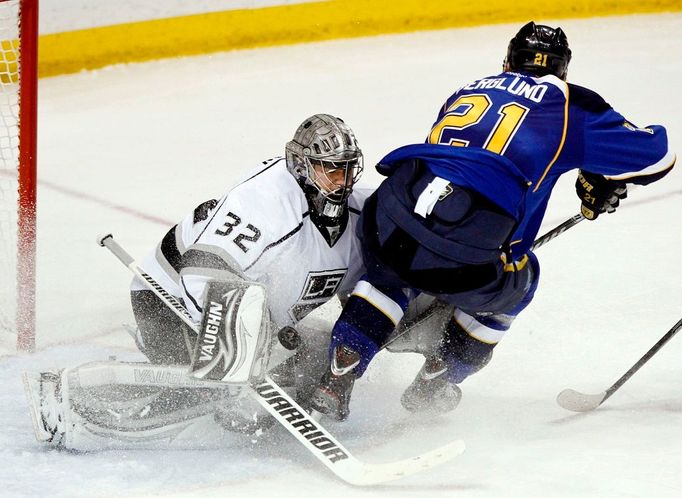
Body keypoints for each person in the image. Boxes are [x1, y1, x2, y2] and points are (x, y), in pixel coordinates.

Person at [310, 21, 676, 421]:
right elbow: (657, 156)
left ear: (506, 62)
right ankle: (436, 381)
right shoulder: (570, 105)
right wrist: (600, 175)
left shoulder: (468, 89)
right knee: (521, 279)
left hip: (390, 214)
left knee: (395, 270)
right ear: (564, 72)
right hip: (464, 247)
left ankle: (335, 377)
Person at [24, 114, 370, 450]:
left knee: (316, 353)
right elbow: (201, 270)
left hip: (245, 309)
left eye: (348, 169)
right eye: (331, 170)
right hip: (168, 297)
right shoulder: (266, 202)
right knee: (214, 386)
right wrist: (245, 345)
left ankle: (236, 388)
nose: (343, 181)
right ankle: (69, 398)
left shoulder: (354, 217)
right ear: (301, 167)